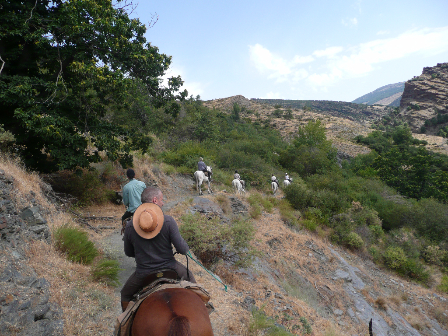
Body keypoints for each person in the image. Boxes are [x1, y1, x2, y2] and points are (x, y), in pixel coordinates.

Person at [120, 186, 196, 312]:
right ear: (155, 200)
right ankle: (200, 308)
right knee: (191, 278)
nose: (163, 202)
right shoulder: (168, 221)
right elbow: (182, 250)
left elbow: (128, 253)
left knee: (125, 294)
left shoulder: (130, 225)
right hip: (171, 268)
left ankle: (124, 327)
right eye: (161, 199)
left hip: (143, 273)